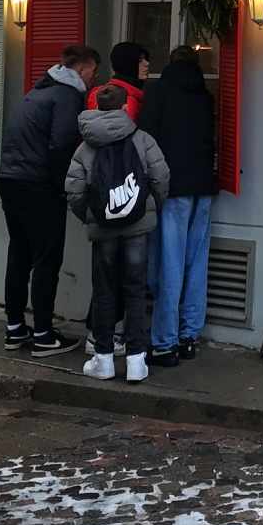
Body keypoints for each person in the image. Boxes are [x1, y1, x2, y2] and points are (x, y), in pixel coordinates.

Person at [0, 43, 100, 354]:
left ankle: (15, 328)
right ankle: (43, 334)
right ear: (81, 68)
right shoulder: (67, 96)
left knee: (19, 254)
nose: (94, 80)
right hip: (39, 185)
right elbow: (61, 144)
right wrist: (64, 186)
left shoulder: (37, 91)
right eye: (93, 72)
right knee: (47, 259)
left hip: (10, 179)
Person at [64, 84, 170, 383]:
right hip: (138, 226)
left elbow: (74, 191)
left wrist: (92, 215)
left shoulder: (85, 146)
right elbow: (161, 178)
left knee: (104, 291)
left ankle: (104, 360)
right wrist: (149, 208)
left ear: (97, 107)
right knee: (135, 290)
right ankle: (136, 361)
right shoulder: (143, 139)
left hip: (104, 228)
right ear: (125, 108)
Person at [139, 45, 218, 368]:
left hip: (172, 188)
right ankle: (189, 336)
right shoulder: (205, 95)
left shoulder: (159, 92)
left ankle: (164, 342)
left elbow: (146, 140)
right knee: (197, 262)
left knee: (168, 264)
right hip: (204, 185)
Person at [81, 40, 152, 355]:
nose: (147, 65)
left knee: (105, 272)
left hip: (100, 198)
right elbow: (131, 154)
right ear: (130, 64)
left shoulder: (99, 94)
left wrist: (86, 206)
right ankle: (108, 337)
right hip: (125, 196)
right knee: (123, 275)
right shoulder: (128, 101)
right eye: (142, 59)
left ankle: (97, 335)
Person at [87, 41, 151, 119]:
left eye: (146, 59)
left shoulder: (100, 92)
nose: (147, 63)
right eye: (140, 60)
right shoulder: (126, 100)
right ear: (127, 64)